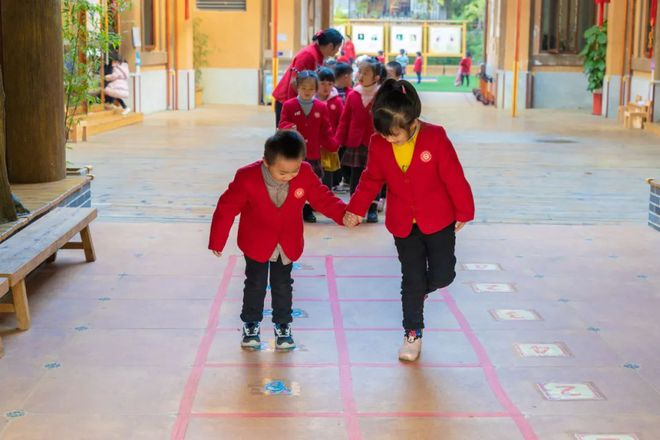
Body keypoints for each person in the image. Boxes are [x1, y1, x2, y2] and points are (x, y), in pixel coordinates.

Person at [344, 79, 474, 362]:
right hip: (403, 223)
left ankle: (421, 291)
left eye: (394, 135)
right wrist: (355, 208)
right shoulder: (378, 143)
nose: (388, 139)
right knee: (411, 279)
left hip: (439, 219)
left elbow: (453, 175)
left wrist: (465, 210)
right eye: (384, 134)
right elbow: (371, 179)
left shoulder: (435, 137)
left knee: (444, 275)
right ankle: (412, 333)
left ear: (412, 121)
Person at [209, 130, 348, 350]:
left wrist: (343, 215)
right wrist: (218, 240)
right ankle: (251, 324)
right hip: (256, 241)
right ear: (266, 162)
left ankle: (283, 325)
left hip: (287, 243)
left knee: (283, 285)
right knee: (255, 283)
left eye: (295, 170)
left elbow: (323, 198)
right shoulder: (246, 177)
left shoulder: (304, 173)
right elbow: (226, 208)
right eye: (283, 172)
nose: (290, 176)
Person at [278, 70, 339, 223]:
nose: (307, 92)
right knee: (292, 181)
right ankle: (293, 208)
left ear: (316, 89)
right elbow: (281, 124)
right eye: (304, 88)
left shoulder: (321, 107)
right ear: (297, 87)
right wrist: (289, 127)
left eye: (311, 89)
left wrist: (333, 145)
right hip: (294, 152)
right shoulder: (289, 105)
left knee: (311, 182)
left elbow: (326, 130)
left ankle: (307, 209)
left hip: (313, 153)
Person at [335, 58, 385, 223]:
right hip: (355, 143)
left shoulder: (381, 96)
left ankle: (372, 207)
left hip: (375, 143)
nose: (361, 75)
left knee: (374, 177)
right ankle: (355, 207)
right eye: (360, 71)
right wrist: (338, 141)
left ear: (376, 77)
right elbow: (344, 120)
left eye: (366, 73)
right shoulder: (353, 94)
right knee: (355, 177)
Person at [273, 29, 343, 127]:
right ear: (331, 46)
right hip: (287, 101)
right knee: (288, 139)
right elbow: (294, 83)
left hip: (299, 101)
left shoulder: (318, 55)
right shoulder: (308, 55)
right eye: (338, 48)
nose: (338, 51)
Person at [316, 67, 344, 191]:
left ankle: (326, 196)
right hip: (313, 144)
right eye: (322, 83)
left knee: (328, 172)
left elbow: (341, 122)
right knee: (313, 171)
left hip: (330, 144)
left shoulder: (337, 102)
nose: (326, 87)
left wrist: (337, 140)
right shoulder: (311, 100)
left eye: (330, 84)